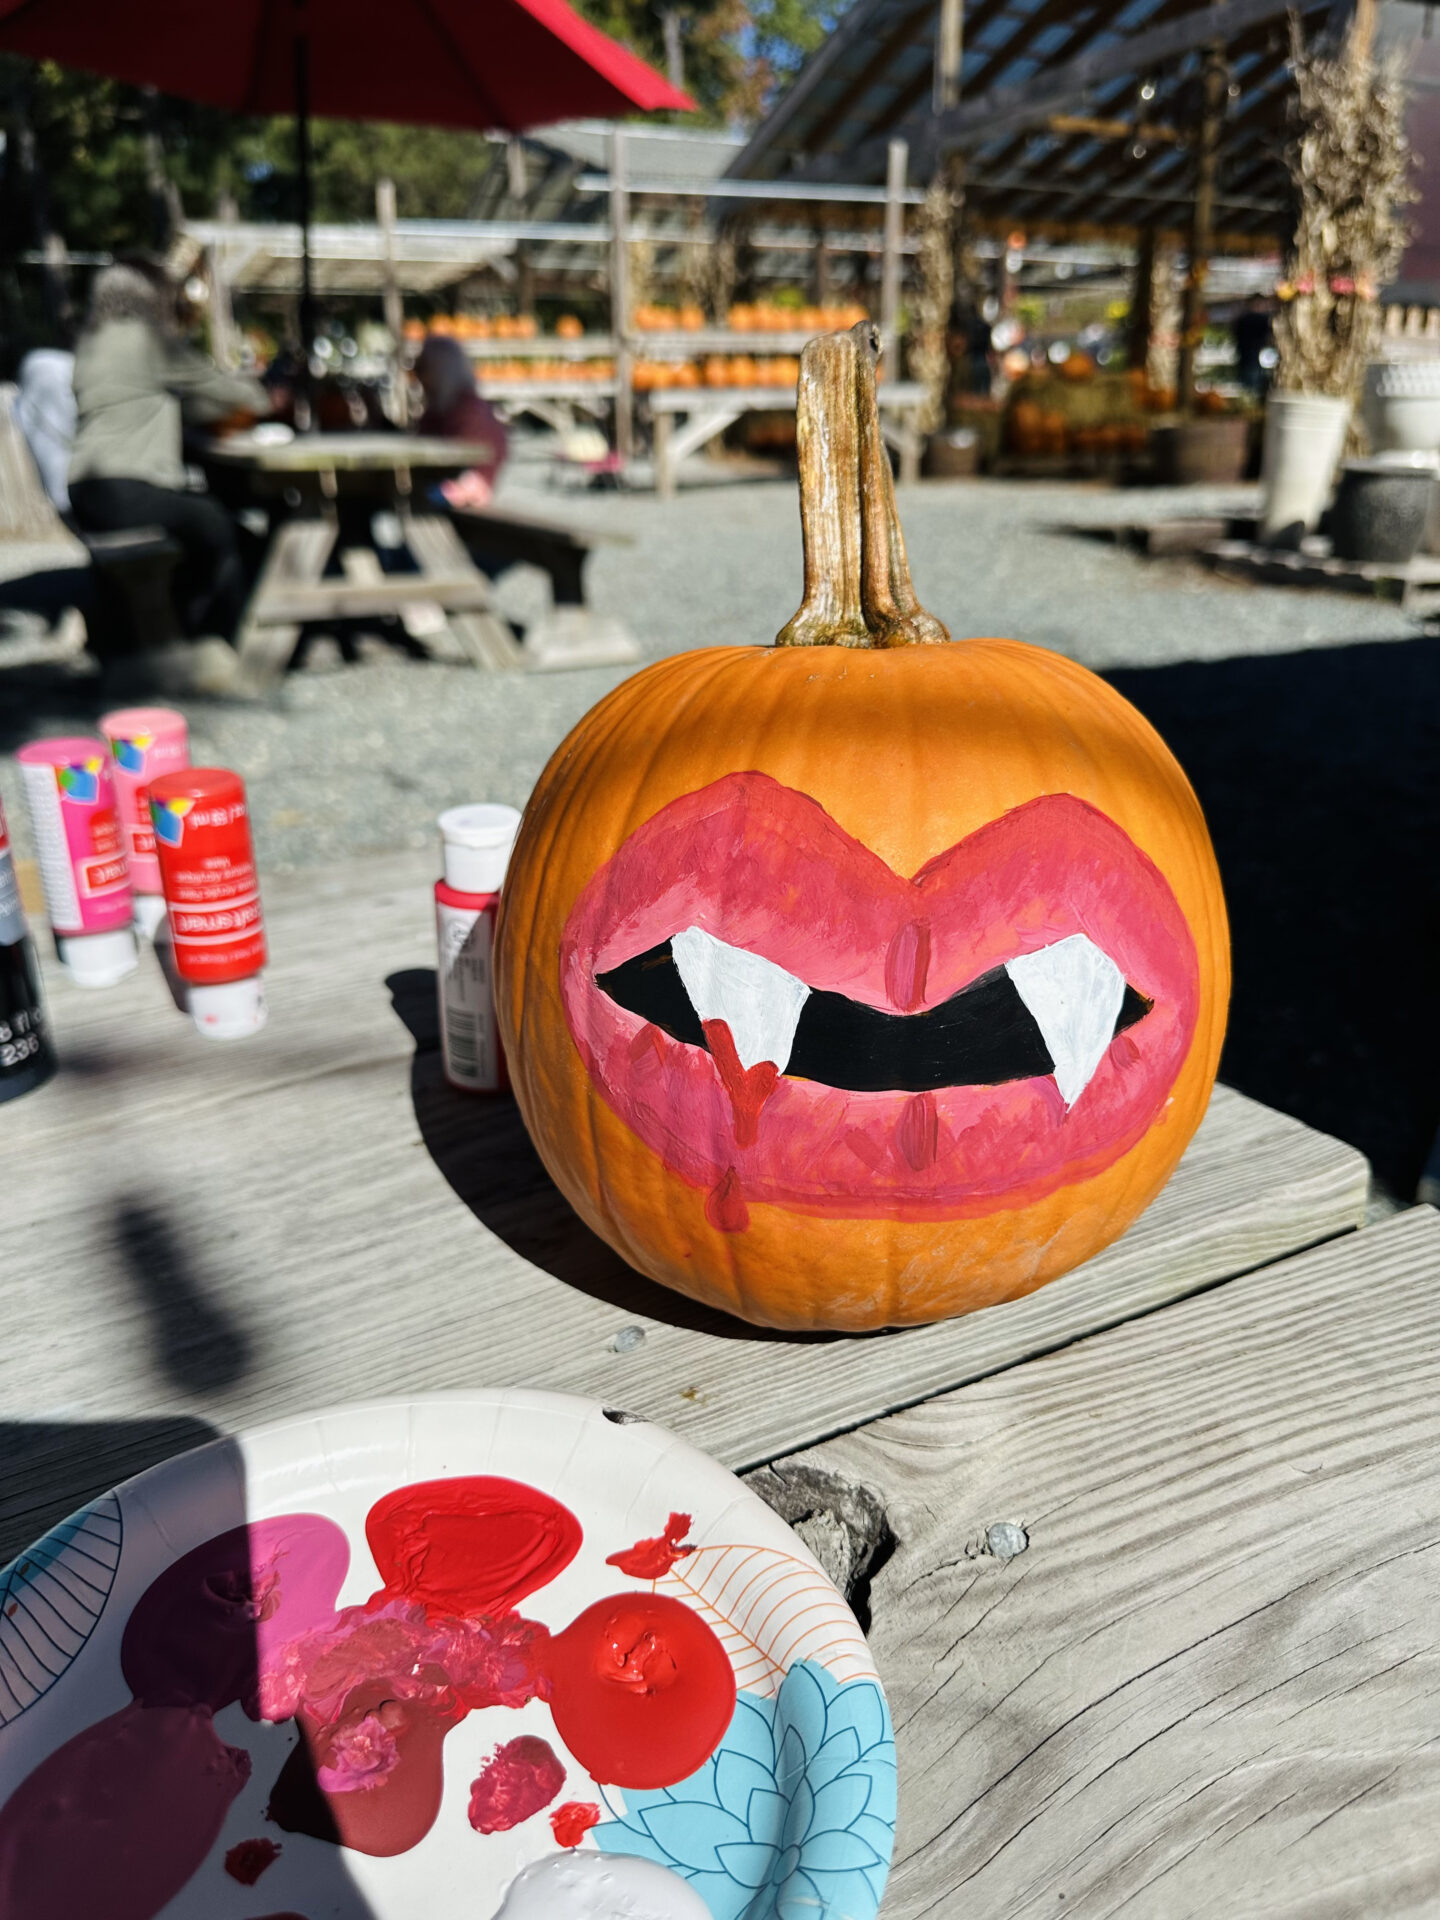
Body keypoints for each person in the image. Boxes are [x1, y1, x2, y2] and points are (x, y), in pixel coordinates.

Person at [67, 259, 268, 690]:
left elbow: (139, 402)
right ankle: (217, 644)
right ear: (153, 295)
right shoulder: (148, 340)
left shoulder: (90, 341)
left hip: (85, 489)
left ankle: (179, 633)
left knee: (201, 523)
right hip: (128, 487)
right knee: (223, 529)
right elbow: (240, 395)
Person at [413, 335, 508, 505]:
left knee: (417, 497)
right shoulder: (443, 405)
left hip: (468, 487)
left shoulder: (467, 408)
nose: (417, 375)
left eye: (423, 367)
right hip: (455, 484)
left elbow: (458, 460)